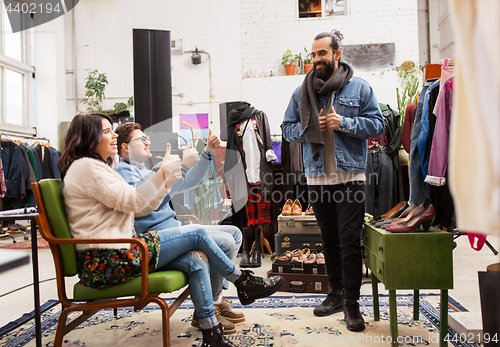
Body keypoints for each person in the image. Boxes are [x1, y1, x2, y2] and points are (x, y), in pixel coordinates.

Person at [58, 113, 284, 347]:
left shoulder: (96, 168)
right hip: (109, 259)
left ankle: (212, 335)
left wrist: (165, 175)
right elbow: (135, 204)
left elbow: (145, 203)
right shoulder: (88, 168)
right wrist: (163, 173)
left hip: (119, 254)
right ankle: (243, 281)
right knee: (198, 235)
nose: (113, 135)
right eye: (106, 131)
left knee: (196, 261)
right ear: (87, 139)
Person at [281, 30, 384, 332]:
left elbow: (378, 124)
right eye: (313, 54)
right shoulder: (302, 92)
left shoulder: (360, 88)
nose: (316, 59)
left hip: (350, 175)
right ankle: (335, 294)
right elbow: (287, 129)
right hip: (317, 177)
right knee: (329, 241)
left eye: (322, 53)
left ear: (337, 54)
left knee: (350, 241)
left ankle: (352, 304)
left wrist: (345, 123)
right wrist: (310, 126)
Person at [114, 122, 244, 333]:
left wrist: (208, 153)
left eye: (146, 138)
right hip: (157, 238)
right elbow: (141, 204)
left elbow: (188, 182)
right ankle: (222, 296)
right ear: (125, 147)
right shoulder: (124, 171)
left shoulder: (145, 171)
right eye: (141, 139)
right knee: (226, 241)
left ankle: (215, 300)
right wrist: (176, 168)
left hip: (172, 230)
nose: (147, 142)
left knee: (234, 233)